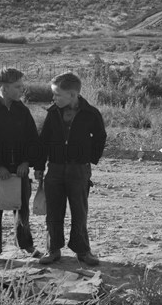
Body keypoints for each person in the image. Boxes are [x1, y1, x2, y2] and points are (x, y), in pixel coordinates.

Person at [34, 72, 107, 267]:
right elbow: (43, 142)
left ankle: (83, 251)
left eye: (58, 95)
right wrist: (40, 167)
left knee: (79, 211)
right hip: (55, 170)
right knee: (54, 212)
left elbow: (100, 138)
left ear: (73, 95)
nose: (54, 98)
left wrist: (88, 159)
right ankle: (53, 249)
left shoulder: (91, 114)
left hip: (79, 171)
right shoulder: (52, 113)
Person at [0, 68, 42, 267]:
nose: (22, 89)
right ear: (3, 87)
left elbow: (32, 139)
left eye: (21, 85)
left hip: (20, 170)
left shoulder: (23, 111)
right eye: (17, 86)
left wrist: (26, 162)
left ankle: (26, 245)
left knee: (22, 210)